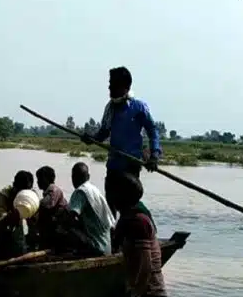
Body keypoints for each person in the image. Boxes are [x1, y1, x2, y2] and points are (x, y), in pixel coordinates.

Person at [81, 66, 162, 217]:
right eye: (109, 83)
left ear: (125, 86)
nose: (109, 87)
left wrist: (154, 155)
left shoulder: (138, 107)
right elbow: (103, 133)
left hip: (131, 167)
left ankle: (133, 234)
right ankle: (112, 237)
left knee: (129, 208)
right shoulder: (110, 108)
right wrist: (90, 138)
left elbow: (153, 131)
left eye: (113, 83)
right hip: (113, 166)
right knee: (110, 207)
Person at [60, 162, 116, 256]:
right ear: (88, 176)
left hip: (96, 247)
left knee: (65, 228)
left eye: (74, 177)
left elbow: (71, 217)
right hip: (107, 247)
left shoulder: (80, 191)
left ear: (73, 178)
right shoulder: (95, 190)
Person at [0, 171, 35, 262]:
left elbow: (31, 221)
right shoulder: (5, 195)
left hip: (14, 230)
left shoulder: (29, 197)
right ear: (15, 186)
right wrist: (12, 216)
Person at [31, 166, 68, 249]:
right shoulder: (48, 191)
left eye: (40, 179)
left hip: (58, 226)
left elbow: (45, 205)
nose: (38, 182)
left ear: (47, 179)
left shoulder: (53, 189)